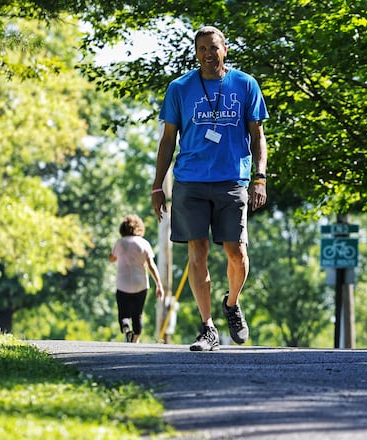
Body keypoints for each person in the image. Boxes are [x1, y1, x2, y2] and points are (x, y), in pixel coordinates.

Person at [150, 25, 269, 351]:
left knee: (237, 252)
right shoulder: (180, 88)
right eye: (201, 48)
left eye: (213, 47)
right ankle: (207, 328)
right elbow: (168, 139)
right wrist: (158, 185)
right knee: (197, 253)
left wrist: (260, 177)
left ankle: (231, 304)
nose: (207, 54)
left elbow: (258, 137)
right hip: (190, 181)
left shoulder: (245, 85)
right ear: (196, 52)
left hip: (232, 179)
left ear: (225, 49)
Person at [109, 214, 164, 343]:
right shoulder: (144, 243)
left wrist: (116, 256)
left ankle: (126, 328)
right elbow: (151, 265)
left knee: (124, 314)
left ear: (122, 228)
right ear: (139, 228)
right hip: (141, 285)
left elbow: (111, 258)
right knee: (137, 314)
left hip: (123, 284)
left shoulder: (120, 242)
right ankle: (134, 341)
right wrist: (159, 284)